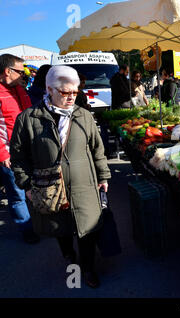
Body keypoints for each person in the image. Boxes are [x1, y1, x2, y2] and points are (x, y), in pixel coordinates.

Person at [10, 65, 111, 288]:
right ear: (49, 89)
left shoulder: (83, 115)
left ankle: (88, 268)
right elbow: (18, 157)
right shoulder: (28, 119)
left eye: (74, 92)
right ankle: (68, 256)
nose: (71, 97)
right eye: (65, 92)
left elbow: (97, 148)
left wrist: (103, 176)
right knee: (61, 229)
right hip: (50, 189)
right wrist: (26, 185)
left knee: (88, 229)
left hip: (85, 185)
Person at [0, 54, 39, 244]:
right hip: (9, 156)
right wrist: (3, 154)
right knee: (17, 194)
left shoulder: (21, 90)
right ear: (7, 71)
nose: (24, 75)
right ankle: (27, 229)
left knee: (36, 186)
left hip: (30, 149)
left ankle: (40, 223)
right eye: (20, 71)